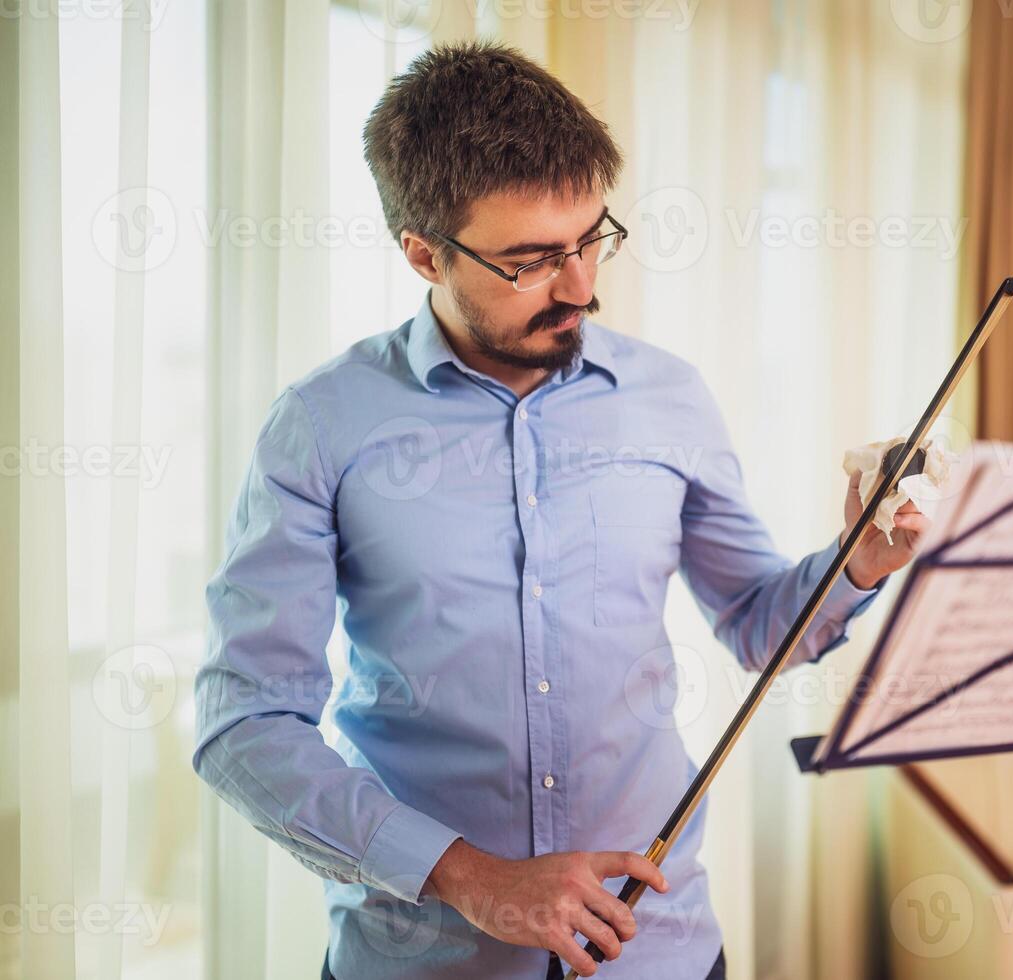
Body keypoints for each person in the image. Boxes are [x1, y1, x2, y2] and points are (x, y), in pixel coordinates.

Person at [193, 39, 929, 980]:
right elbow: (244, 723)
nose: (582, 285)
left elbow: (755, 624)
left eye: (591, 239)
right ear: (424, 253)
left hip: (658, 954)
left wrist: (857, 559)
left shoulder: (671, 397)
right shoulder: (319, 424)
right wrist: (468, 877)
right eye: (534, 260)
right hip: (423, 963)